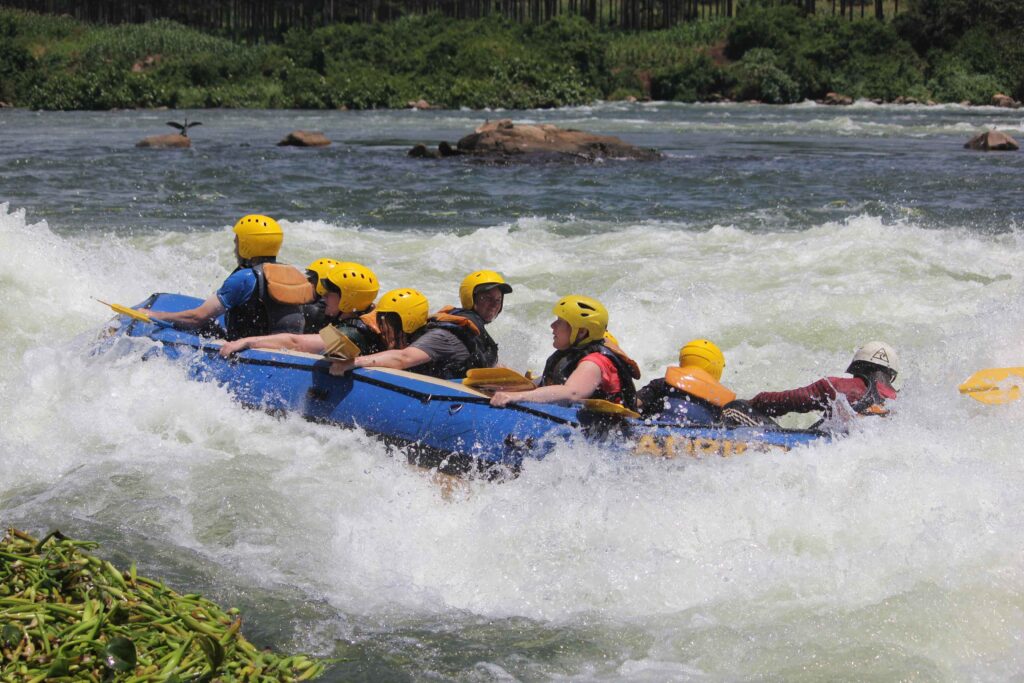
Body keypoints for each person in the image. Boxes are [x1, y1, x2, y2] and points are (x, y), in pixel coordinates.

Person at [147, 214, 314, 340]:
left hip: (249, 352)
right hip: (283, 349)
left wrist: (156, 315)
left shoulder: (245, 278)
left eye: (237, 242)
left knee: (206, 325)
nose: (235, 249)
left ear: (246, 246)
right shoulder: (294, 275)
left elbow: (197, 318)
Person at [490, 295, 640, 409]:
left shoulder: (594, 362)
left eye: (560, 321)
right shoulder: (570, 355)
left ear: (581, 332)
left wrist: (517, 396)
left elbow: (572, 393)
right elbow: (545, 386)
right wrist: (504, 384)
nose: (552, 325)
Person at [219, 262, 381, 357]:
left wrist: (247, 341)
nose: (324, 297)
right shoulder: (361, 321)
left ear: (347, 300)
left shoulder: (349, 334)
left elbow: (296, 343)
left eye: (330, 293)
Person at [328, 288, 475, 380]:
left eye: (386, 322)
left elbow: (403, 358)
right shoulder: (410, 337)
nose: (381, 329)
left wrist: (351, 363)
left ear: (406, 322)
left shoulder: (440, 337)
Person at [746, 341, 899, 424]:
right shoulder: (900, 401)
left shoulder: (837, 387)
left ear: (856, 367)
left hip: (833, 451)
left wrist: (751, 403)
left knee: (739, 407)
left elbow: (783, 401)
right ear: (891, 376)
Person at [426, 270, 513, 372]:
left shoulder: (473, 328)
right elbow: (410, 355)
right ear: (470, 298)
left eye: (498, 300)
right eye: (487, 298)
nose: (494, 305)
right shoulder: (459, 328)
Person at [636, 339, 736, 425]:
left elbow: (635, 402)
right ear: (716, 367)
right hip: (699, 438)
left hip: (653, 433)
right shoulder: (719, 399)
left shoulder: (662, 384)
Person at [302, 257, 340, 333]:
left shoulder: (313, 310)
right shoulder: (336, 306)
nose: (307, 282)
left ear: (322, 284)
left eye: (311, 280)